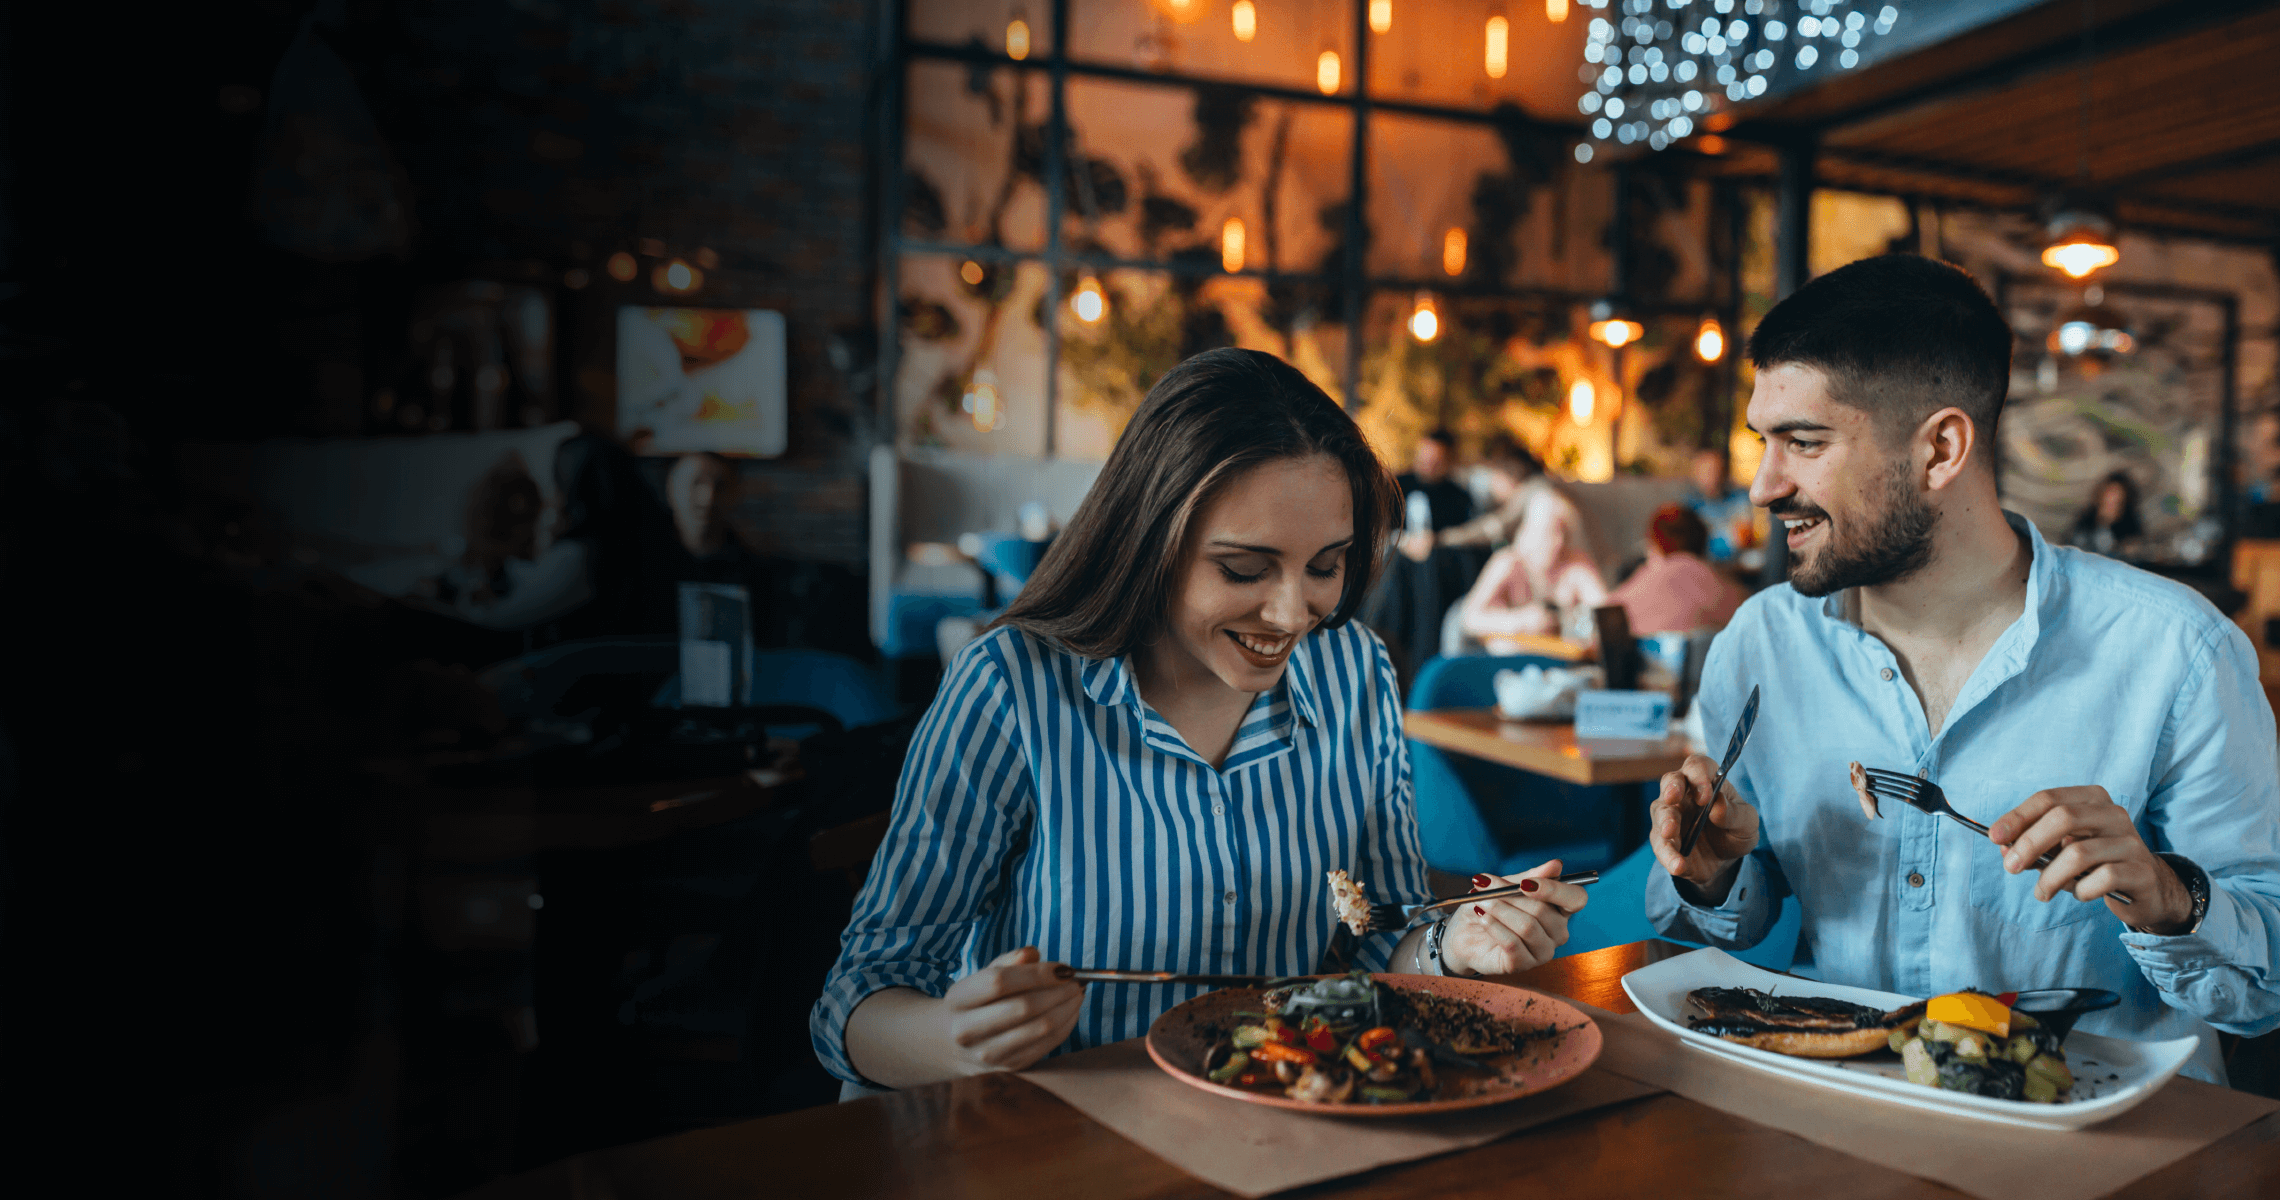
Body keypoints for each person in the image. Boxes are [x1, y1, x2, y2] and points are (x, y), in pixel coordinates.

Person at [810, 348, 1589, 1090]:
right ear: (1150, 541)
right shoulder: (1012, 688)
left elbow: (1380, 937)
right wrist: (954, 1039)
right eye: (1243, 569)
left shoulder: (1355, 671)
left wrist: (1453, 943)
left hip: (1285, 1125)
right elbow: (860, 998)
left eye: (1326, 565)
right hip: (1060, 1140)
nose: (1294, 614)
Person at [1644, 253, 2280, 1084]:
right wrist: (1717, 873)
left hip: (2100, 1134)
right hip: (1844, 1118)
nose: (1763, 486)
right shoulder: (1760, 645)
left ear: (1941, 448)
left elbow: (2264, 990)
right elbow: (1721, 928)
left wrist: (2170, 896)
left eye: (1804, 443)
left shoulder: (2177, 652)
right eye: (1764, 443)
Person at [1455, 485, 1608, 644]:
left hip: (1561, 658)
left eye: (1563, 532)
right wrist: (1521, 620)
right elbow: (1468, 619)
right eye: (1550, 531)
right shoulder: (1508, 562)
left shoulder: (1575, 565)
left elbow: (1606, 614)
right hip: (1514, 657)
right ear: (1529, 531)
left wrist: (1578, 620)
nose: (1558, 541)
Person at [1605, 504, 1742, 635]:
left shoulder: (1625, 597)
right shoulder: (1720, 586)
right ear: (1703, 543)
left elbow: (1603, 618)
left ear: (1654, 544)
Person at [1684, 446, 1755, 564]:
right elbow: (1688, 543)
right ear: (1695, 473)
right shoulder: (1689, 503)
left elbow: (1744, 539)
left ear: (1725, 471)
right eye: (1706, 471)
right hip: (1701, 565)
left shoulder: (1740, 497)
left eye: (1716, 470)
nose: (1712, 476)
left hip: (1737, 566)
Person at [1397, 429, 1473, 535]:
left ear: (1449, 460)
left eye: (1435, 462)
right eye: (1424, 460)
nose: (1428, 466)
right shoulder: (1396, 487)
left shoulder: (1459, 497)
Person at [2067, 469, 2143, 557]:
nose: (2109, 506)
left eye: (2116, 503)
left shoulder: (2131, 529)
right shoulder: (2084, 523)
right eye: (2106, 503)